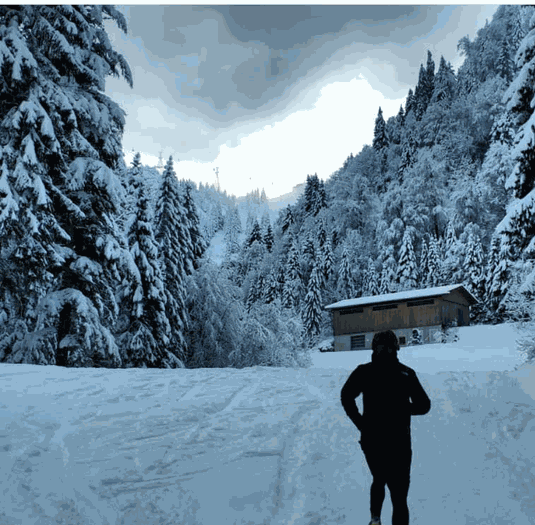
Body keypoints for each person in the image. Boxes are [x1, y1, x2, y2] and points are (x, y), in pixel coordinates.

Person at [340, 330, 431, 525]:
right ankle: (375, 520)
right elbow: (424, 405)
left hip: (372, 440)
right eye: (386, 348)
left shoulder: (364, 372)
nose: (386, 351)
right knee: (398, 496)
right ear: (396, 349)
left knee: (379, 479)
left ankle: (375, 520)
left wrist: (361, 423)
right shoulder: (406, 373)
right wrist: (403, 409)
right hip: (399, 443)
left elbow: (345, 396)